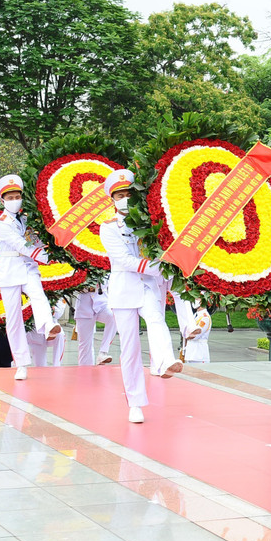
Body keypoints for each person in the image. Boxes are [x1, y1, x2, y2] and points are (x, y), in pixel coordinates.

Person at [100, 169, 183, 424]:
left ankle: (165, 360)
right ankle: (135, 403)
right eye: (120, 195)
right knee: (130, 348)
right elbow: (124, 260)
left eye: (129, 194)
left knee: (156, 319)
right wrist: (160, 268)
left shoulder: (147, 223)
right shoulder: (108, 228)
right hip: (124, 288)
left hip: (147, 285)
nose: (125, 199)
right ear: (113, 199)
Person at [0, 174, 61, 380]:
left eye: (17, 197)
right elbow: (20, 244)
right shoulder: (1, 223)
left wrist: (51, 251)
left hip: (28, 267)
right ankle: (21, 363)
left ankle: (48, 325)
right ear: (3, 201)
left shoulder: (26, 220)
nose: (15, 201)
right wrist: (43, 257)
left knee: (38, 294)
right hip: (9, 270)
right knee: (14, 319)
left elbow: (35, 241)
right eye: (10, 198)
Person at [74, 280, 118, 366]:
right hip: (84, 305)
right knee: (85, 346)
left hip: (102, 302)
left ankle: (103, 352)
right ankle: (85, 371)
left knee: (113, 317)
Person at [28, 298, 67, 367]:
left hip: (52, 326)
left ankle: (57, 367)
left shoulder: (58, 295)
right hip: (35, 330)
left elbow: (58, 313)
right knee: (40, 366)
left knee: (60, 334)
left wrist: (49, 308)